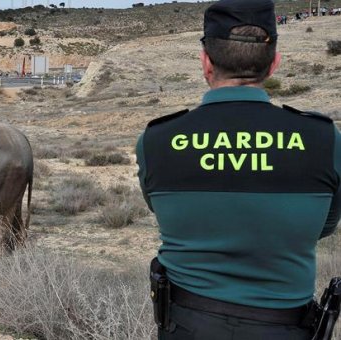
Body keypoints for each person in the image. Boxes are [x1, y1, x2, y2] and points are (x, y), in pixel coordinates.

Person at [136, 0, 340, 339]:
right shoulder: (323, 139)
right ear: (274, 63)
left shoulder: (157, 140)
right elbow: (325, 225)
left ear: (205, 62)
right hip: (287, 329)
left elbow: (162, 212)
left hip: (186, 326)